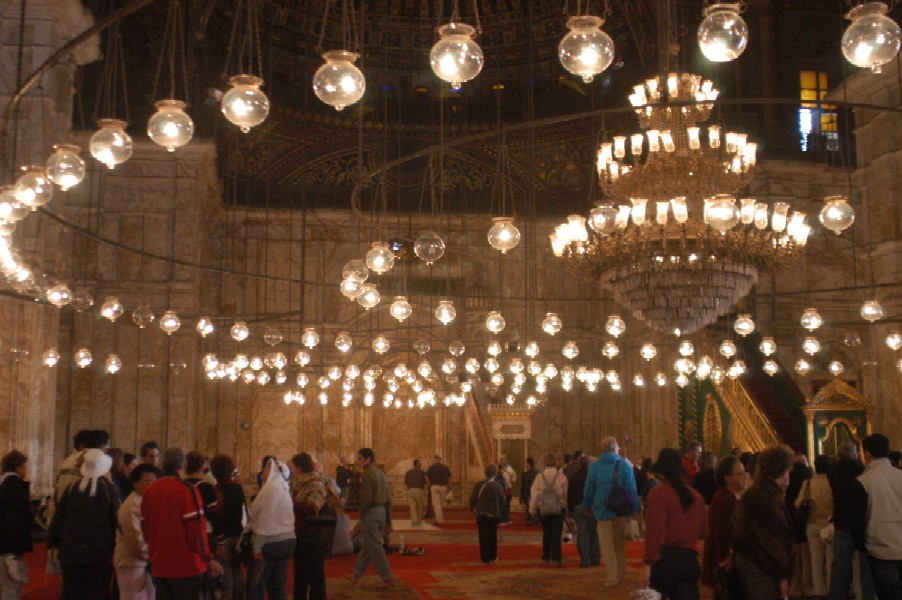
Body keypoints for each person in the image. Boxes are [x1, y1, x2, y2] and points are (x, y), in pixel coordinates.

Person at [141, 448, 223, 600]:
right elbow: (196, 532)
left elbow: (145, 529)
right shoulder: (187, 491)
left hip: (159, 565)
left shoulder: (149, 491)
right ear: (183, 465)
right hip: (186, 567)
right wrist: (208, 558)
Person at [48, 447, 120, 600]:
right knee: (95, 592)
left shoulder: (72, 489)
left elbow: (59, 519)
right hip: (99, 554)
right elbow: (115, 521)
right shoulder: (109, 490)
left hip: (71, 552)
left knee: (72, 592)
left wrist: (53, 544)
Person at [640, 448, 707, 600]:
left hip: (664, 561)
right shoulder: (697, 497)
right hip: (689, 560)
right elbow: (703, 532)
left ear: (661, 472)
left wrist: (648, 564)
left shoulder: (658, 495)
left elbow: (655, 533)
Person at [730, 444, 795, 600]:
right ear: (781, 472)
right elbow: (775, 541)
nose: (789, 478)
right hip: (762, 569)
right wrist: (783, 575)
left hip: (748, 564)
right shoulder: (770, 498)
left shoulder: (754, 492)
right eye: (787, 471)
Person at [581, 436, 639, 587]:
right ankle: (621, 574)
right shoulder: (625, 466)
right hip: (621, 511)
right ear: (615, 449)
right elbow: (632, 490)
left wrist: (586, 506)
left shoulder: (595, 467)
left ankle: (612, 577)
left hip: (602, 510)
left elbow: (589, 489)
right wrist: (634, 509)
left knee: (607, 545)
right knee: (620, 544)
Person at [850, 433, 902, 599]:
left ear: (868, 454)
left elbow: (857, 520)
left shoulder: (863, 481)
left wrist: (861, 546)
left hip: (879, 549)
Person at [828, 442, 875, 600]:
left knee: (840, 568)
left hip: (841, 524)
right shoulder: (862, 470)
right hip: (862, 524)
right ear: (856, 454)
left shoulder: (833, 472)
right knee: (865, 568)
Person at [247, 457, 296, 600]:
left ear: (274, 471)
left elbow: (265, 520)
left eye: (268, 468)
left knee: (256, 585)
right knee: (277, 585)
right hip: (287, 540)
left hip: (270, 543)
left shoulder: (272, 490)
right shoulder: (282, 487)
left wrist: (257, 546)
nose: (264, 470)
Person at [114, 464, 161, 600]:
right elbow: (136, 542)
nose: (152, 483)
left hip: (144, 562)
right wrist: (155, 556)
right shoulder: (132, 505)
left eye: (154, 479)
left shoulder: (146, 501)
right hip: (131, 564)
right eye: (147, 480)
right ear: (135, 483)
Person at [349, 448, 394, 588]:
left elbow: (366, 499)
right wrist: (388, 519)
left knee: (374, 546)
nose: (357, 461)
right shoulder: (381, 473)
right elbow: (388, 498)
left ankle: (387, 578)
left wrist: (361, 517)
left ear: (368, 460)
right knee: (368, 545)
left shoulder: (368, 474)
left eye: (360, 458)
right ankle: (356, 575)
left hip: (371, 512)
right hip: (381, 511)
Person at [291, 452, 334, 600]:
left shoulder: (316, 482)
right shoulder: (298, 482)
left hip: (314, 535)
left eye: (294, 467)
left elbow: (313, 507)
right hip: (301, 533)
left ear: (300, 467)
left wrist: (291, 501)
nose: (292, 470)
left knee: (315, 575)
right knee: (300, 574)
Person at [701, 455, 746, 590]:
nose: (745, 476)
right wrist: (724, 564)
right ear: (727, 478)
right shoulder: (724, 501)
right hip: (724, 563)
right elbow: (721, 535)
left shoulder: (730, 497)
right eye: (740, 474)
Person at [795, 455, 834, 598]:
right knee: (831, 561)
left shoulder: (808, 483)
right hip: (829, 525)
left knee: (815, 561)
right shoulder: (832, 482)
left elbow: (797, 504)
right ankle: (831, 590)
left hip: (812, 524)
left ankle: (819, 592)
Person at [209, 454, 246, 600]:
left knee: (225, 573)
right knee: (236, 571)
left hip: (223, 537)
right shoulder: (237, 488)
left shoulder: (215, 491)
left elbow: (216, 516)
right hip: (237, 534)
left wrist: (219, 539)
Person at [0, 450, 32, 599]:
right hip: (9, 547)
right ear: (17, 467)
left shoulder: (2, 484)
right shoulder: (15, 487)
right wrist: (16, 551)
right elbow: (16, 520)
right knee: (11, 589)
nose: (26, 470)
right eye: (25, 467)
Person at [529, 453, 568, 567]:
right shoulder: (562, 477)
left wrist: (532, 510)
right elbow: (566, 494)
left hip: (544, 509)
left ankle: (546, 556)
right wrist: (567, 508)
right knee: (557, 534)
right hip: (559, 508)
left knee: (546, 533)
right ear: (556, 462)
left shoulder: (539, 477)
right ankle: (556, 559)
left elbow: (534, 494)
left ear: (545, 463)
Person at [788, 452, 814, 598]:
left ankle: (795, 589)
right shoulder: (809, 477)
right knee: (807, 557)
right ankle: (807, 587)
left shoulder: (788, 476)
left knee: (795, 558)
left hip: (792, 520)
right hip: (806, 520)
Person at [469, 464, 505, 564]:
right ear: (496, 473)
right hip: (493, 514)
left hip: (481, 514)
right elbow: (503, 500)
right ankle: (493, 556)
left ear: (485, 473)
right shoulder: (498, 486)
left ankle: (485, 558)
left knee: (483, 536)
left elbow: (473, 498)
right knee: (493, 535)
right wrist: (500, 512)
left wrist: (472, 508)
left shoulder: (479, 484)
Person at [185, 451, 219, 552]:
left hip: (186, 532)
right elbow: (214, 514)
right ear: (202, 467)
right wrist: (220, 539)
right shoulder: (206, 487)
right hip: (205, 532)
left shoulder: (181, 486)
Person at [568, 455, 599, 568]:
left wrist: (570, 509)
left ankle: (585, 561)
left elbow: (569, 495)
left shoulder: (574, 477)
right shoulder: (593, 477)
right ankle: (595, 559)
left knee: (582, 534)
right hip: (591, 506)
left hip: (578, 506)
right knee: (593, 533)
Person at [426, 455, 451, 525]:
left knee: (436, 504)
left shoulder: (431, 468)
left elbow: (426, 476)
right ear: (440, 460)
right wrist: (450, 487)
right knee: (441, 503)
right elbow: (449, 478)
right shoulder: (446, 468)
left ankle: (439, 520)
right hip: (443, 487)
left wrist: (429, 484)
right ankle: (439, 518)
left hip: (434, 486)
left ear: (435, 460)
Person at [404, 459, 427, 526]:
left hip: (410, 490)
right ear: (418, 464)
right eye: (420, 463)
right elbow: (426, 480)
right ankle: (419, 521)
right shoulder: (422, 472)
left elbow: (406, 482)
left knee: (412, 507)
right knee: (419, 506)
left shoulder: (408, 472)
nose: (421, 464)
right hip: (419, 490)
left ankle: (414, 521)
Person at [498, 455, 516, 525]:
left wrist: (511, 478)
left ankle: (507, 518)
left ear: (507, 460)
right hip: (500, 489)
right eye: (501, 460)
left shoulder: (511, 470)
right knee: (502, 505)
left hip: (507, 489)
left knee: (507, 505)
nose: (503, 461)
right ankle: (502, 519)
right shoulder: (498, 468)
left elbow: (514, 480)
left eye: (504, 459)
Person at [521, 458, 539, 525]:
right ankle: (536, 519)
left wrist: (523, 495)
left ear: (529, 464)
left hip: (529, 493)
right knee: (536, 507)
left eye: (526, 463)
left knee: (530, 506)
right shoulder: (538, 472)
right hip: (537, 492)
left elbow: (526, 485)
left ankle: (532, 520)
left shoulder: (527, 474)